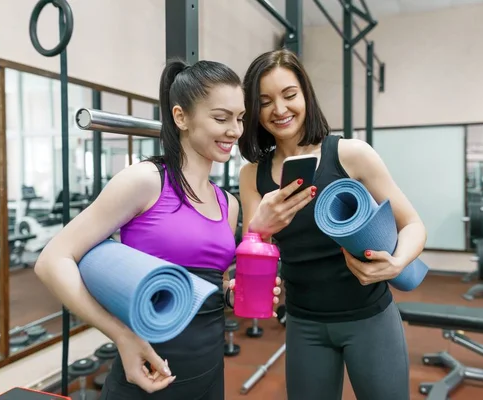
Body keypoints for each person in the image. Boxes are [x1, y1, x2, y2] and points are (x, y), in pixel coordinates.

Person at [34, 58, 281, 399]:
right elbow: (52, 260)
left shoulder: (229, 203)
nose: (235, 131)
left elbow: (207, 283)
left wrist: (230, 293)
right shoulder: (146, 181)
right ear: (181, 117)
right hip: (147, 373)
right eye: (221, 118)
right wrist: (122, 336)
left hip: (209, 372)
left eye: (239, 119)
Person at [237, 48, 427, 400]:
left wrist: (396, 264)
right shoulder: (252, 175)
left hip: (369, 317)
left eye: (289, 95)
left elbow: (413, 223)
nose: (279, 109)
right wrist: (259, 230)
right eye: (265, 101)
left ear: (305, 95)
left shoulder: (350, 154)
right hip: (303, 323)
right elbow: (254, 251)